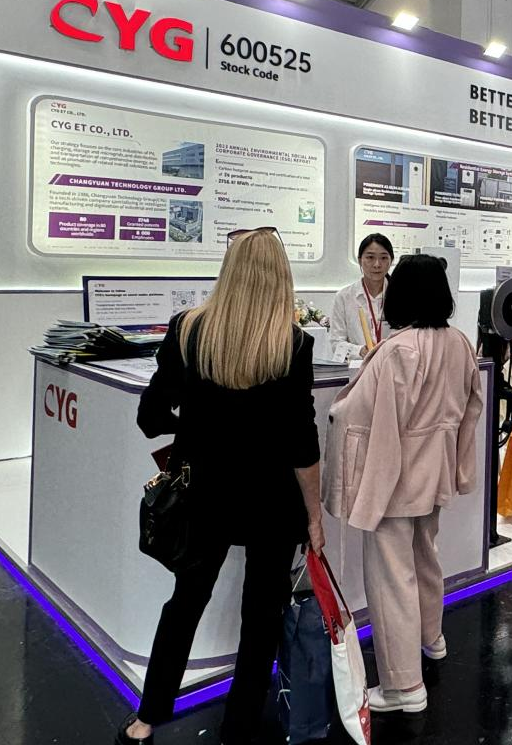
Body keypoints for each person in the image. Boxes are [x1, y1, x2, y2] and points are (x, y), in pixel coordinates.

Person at [119, 228, 323, 745]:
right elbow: (302, 443)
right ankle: (239, 729)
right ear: (281, 276)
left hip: (202, 493)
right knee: (262, 617)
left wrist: (195, 424)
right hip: (272, 500)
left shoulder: (188, 330)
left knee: (185, 602)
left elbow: (150, 417)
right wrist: (315, 515)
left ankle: (146, 718)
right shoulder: (294, 344)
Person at [325, 254, 483, 714]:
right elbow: (472, 408)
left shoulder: (399, 349)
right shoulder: (459, 342)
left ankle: (403, 685)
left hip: (395, 478)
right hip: (436, 471)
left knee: (391, 577)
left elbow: (359, 415)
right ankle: (431, 637)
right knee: (425, 558)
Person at [328, 233, 393, 363]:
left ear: (391, 261)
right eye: (370, 257)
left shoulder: (400, 296)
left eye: (383, 258)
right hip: (359, 368)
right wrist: (360, 351)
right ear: (359, 260)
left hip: (391, 366)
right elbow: (336, 343)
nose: (377, 264)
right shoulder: (344, 297)